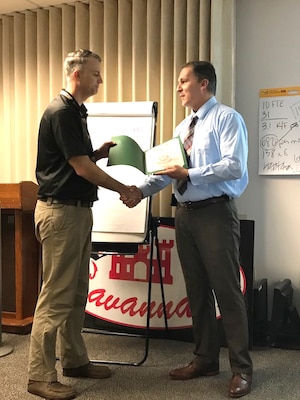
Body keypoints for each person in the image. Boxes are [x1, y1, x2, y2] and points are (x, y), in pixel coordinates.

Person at [123, 61, 253, 398]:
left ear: (204, 83)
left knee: (226, 290)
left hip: (215, 213)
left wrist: (189, 174)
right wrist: (139, 191)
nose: (179, 87)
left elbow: (234, 165)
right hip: (185, 215)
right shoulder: (183, 127)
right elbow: (167, 173)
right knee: (195, 289)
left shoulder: (227, 118)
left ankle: (242, 369)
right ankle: (206, 359)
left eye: (184, 81)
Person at [28, 49, 140, 400]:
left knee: (76, 294)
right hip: (61, 213)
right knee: (56, 297)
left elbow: (75, 161)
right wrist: (123, 188)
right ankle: (38, 376)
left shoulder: (75, 111)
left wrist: (97, 154)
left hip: (75, 212)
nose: (100, 80)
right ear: (77, 75)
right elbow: (79, 168)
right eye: (95, 74)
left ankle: (75, 361)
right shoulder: (62, 111)